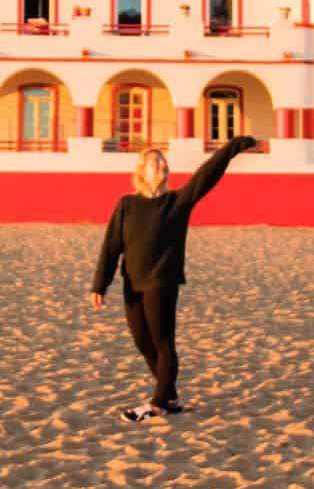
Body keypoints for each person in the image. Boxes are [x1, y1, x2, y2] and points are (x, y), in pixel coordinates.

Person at [91, 135, 258, 421]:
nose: (161, 165)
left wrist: (232, 148)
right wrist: (100, 284)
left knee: (163, 342)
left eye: (164, 162)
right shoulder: (127, 205)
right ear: (141, 170)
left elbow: (207, 175)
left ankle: (157, 404)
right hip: (132, 283)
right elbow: (112, 246)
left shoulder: (177, 202)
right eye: (155, 161)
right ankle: (170, 397)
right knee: (142, 342)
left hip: (162, 282)